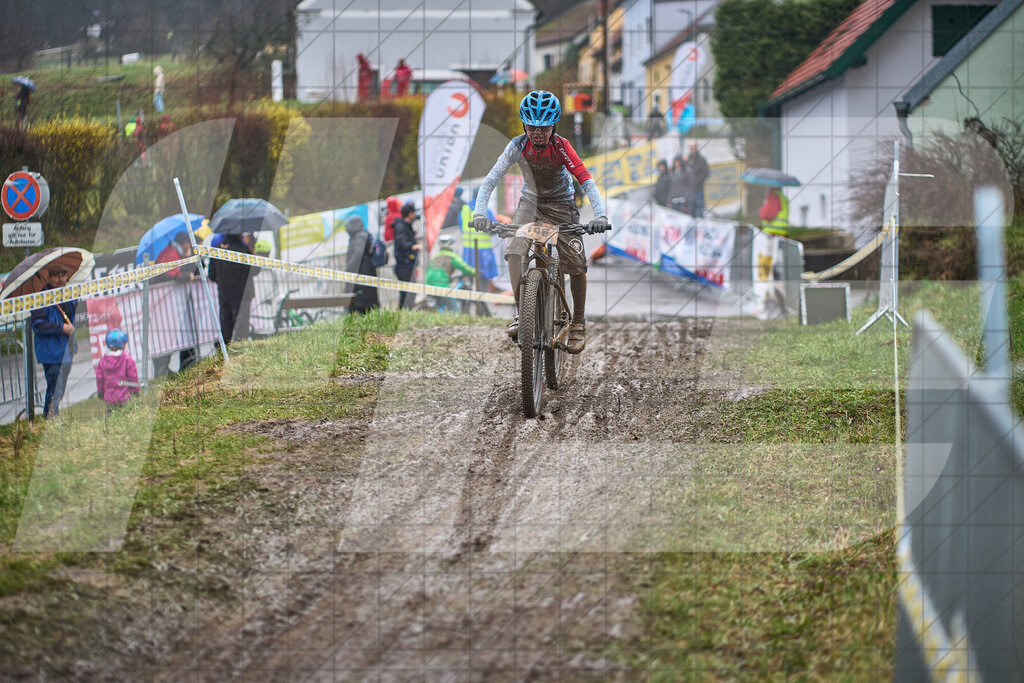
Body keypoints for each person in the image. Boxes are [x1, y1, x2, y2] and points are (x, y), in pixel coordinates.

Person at [470, 89, 610, 354]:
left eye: (544, 128)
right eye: (532, 127)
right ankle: (522, 313)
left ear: (553, 126)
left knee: (577, 265)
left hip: (561, 206)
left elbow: (586, 180)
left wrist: (600, 215)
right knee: (513, 250)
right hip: (530, 205)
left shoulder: (561, 147)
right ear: (524, 125)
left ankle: (578, 323)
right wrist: (479, 213)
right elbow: (490, 180)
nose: (537, 133)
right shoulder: (517, 145)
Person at [31, 265, 77, 418]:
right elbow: (38, 325)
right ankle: (50, 416)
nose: (60, 279)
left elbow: (73, 321)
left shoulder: (69, 295)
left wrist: (73, 344)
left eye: (63, 275)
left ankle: (50, 414)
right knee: (54, 387)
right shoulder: (40, 297)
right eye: (56, 276)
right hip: (50, 351)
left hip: (66, 349)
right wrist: (60, 328)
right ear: (49, 277)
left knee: (60, 387)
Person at [153, 231, 198, 376]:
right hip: (165, 303)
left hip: (173, 302)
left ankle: (185, 363)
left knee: (182, 333)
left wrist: (189, 258)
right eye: (189, 244)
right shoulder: (170, 252)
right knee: (166, 336)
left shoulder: (177, 252)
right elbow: (169, 273)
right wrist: (185, 276)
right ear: (184, 243)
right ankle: (162, 370)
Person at [208, 232, 258, 345]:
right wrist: (253, 252)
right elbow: (254, 270)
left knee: (226, 327)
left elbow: (211, 274)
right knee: (241, 327)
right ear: (239, 235)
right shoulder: (244, 250)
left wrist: (222, 282)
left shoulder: (217, 250)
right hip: (242, 294)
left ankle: (226, 354)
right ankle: (241, 352)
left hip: (224, 294)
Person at [459, 188, 498, 287]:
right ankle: (481, 300)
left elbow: (461, 227)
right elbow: (494, 229)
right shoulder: (486, 212)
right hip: (483, 250)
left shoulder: (464, 210)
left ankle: (469, 299)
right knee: (483, 277)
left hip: (468, 249)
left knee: (469, 275)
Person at [425, 234, 475, 311]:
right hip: (441, 285)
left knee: (437, 309)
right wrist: (475, 271)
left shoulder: (436, 256)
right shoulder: (451, 256)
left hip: (428, 285)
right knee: (454, 308)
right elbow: (464, 267)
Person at [94, 329, 139, 412]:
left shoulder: (103, 362)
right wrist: (136, 391)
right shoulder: (127, 359)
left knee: (111, 419)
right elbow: (133, 377)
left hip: (110, 400)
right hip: (126, 398)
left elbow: (99, 378)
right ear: (122, 345)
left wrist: (100, 392)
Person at [344, 216, 380, 314]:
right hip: (363, 272)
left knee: (364, 302)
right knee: (364, 301)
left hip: (362, 272)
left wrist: (349, 268)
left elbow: (357, 255)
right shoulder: (361, 235)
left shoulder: (360, 236)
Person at [392, 202, 420, 309]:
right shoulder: (400, 227)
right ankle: (404, 313)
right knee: (407, 293)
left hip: (408, 265)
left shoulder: (406, 226)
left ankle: (406, 312)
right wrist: (413, 246)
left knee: (410, 292)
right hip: (404, 265)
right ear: (410, 213)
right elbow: (402, 242)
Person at [685, 141, 710, 217]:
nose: (692, 149)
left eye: (693, 148)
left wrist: (697, 181)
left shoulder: (701, 160)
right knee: (690, 210)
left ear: (697, 148)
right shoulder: (687, 160)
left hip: (699, 189)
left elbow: (706, 173)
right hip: (689, 190)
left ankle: (701, 226)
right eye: (690, 148)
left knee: (700, 209)